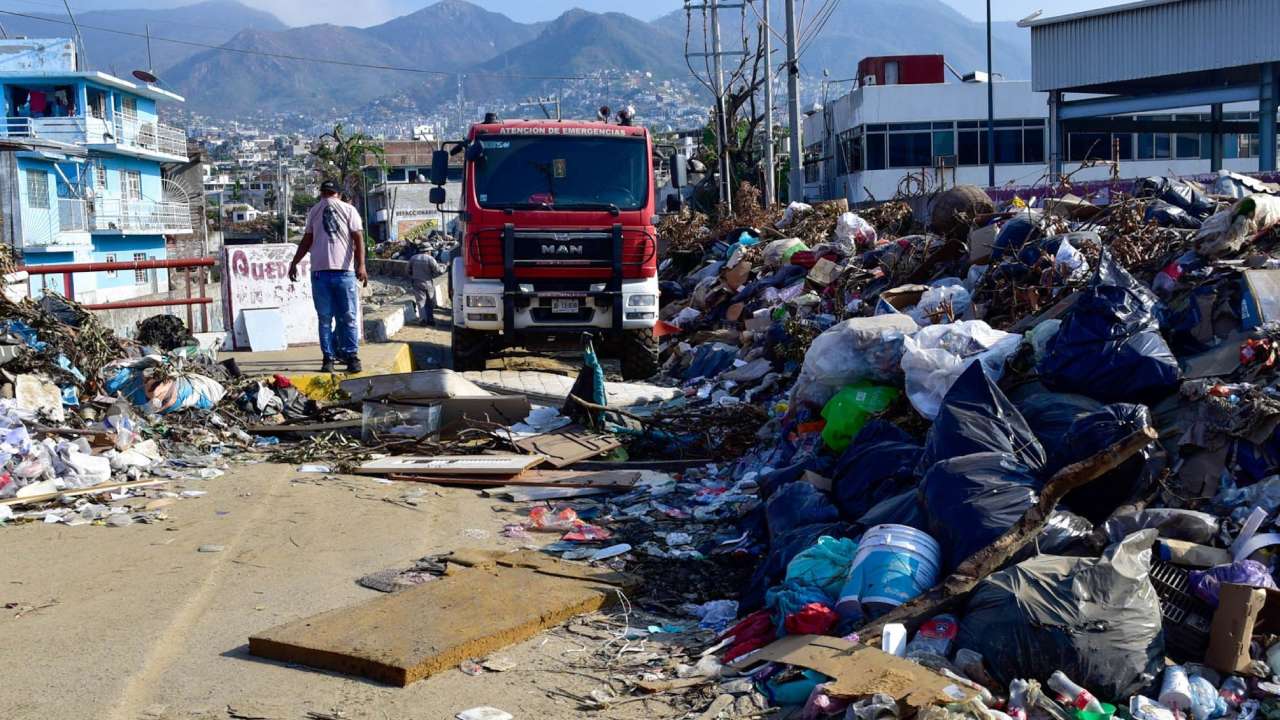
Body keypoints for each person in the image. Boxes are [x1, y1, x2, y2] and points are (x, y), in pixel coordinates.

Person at [288, 179, 367, 374]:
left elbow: (307, 240)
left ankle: (329, 358)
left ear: (322, 193)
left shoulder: (314, 210)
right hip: (343, 272)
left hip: (320, 273)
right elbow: (358, 238)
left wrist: (295, 262)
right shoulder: (349, 210)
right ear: (338, 193)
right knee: (347, 317)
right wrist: (362, 265)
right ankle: (351, 356)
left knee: (325, 319)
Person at [408, 242, 445, 326]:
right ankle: (430, 320)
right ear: (428, 251)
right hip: (428, 283)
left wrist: (413, 276)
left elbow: (407, 270)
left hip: (417, 283)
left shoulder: (413, 258)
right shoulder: (430, 259)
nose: (431, 252)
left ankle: (423, 319)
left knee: (421, 302)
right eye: (430, 251)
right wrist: (445, 266)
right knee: (429, 302)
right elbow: (438, 271)